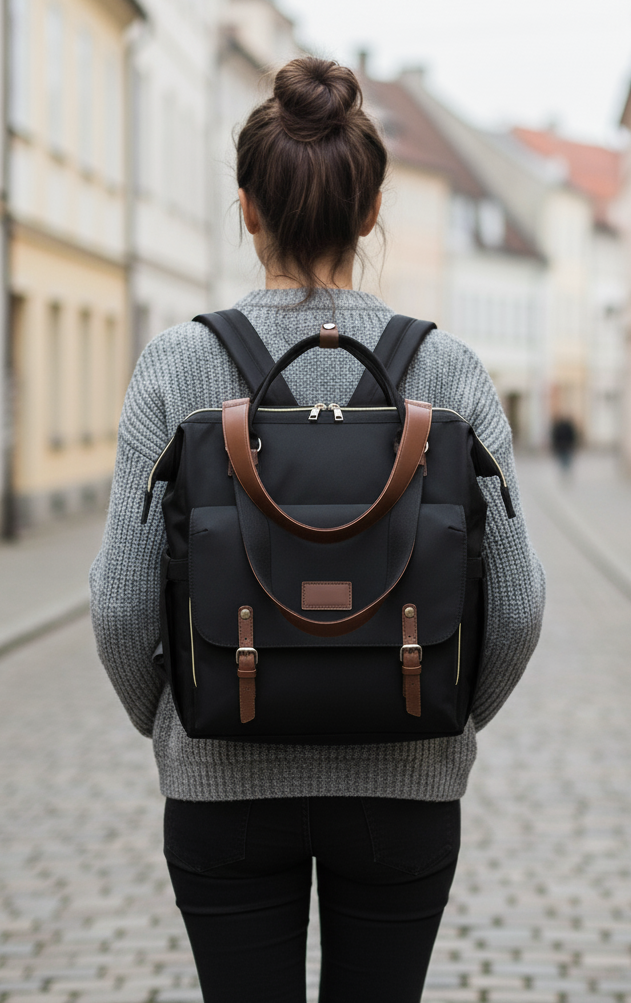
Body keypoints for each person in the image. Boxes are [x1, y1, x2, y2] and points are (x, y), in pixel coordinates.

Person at [90, 58, 545, 1003]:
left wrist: (179, 728)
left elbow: (122, 608)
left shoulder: (178, 366)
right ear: (372, 211)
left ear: (247, 208)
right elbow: (521, 601)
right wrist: (443, 722)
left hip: (223, 786)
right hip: (404, 791)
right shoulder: (449, 370)